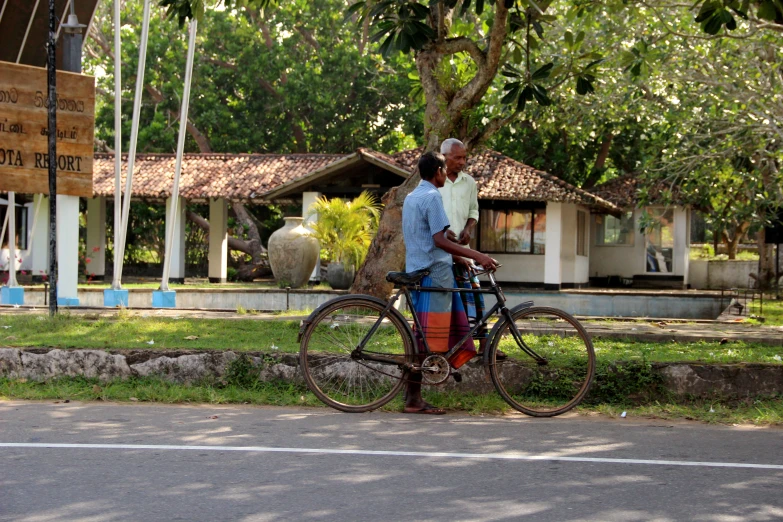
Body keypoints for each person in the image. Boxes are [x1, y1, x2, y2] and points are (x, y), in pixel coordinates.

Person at [401, 150, 497, 415]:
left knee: (424, 336)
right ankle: (413, 400)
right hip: (434, 274)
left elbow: (429, 237)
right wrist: (479, 255)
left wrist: (457, 257)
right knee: (427, 341)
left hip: (420, 269)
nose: (447, 174)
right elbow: (438, 241)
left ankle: (413, 396)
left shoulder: (412, 196)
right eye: (445, 170)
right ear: (438, 172)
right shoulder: (432, 196)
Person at [437, 138, 491, 355]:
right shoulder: (434, 181)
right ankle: (446, 347)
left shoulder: (469, 182)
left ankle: (484, 345)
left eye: (464, 157)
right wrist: (441, 231)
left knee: (475, 296)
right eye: (457, 157)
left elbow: (474, 212)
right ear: (444, 157)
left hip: (460, 249)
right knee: (444, 302)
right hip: (439, 251)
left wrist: (468, 229)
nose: (462, 162)